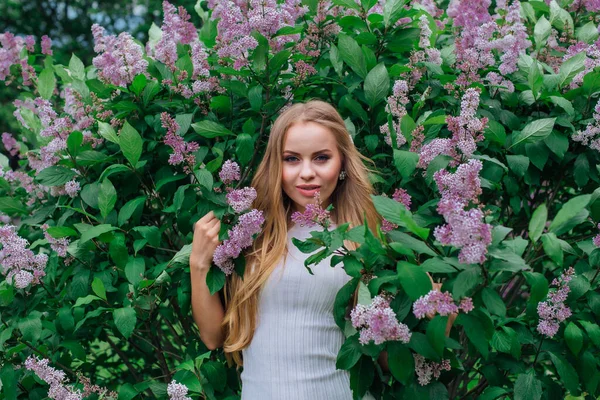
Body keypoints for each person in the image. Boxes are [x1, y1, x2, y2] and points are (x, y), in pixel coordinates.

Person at [189, 100, 382, 399]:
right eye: (292, 159)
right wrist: (199, 264)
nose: (307, 173)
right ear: (276, 165)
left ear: (342, 163)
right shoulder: (251, 234)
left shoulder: (361, 237)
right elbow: (214, 337)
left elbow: (382, 351)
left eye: (321, 158)